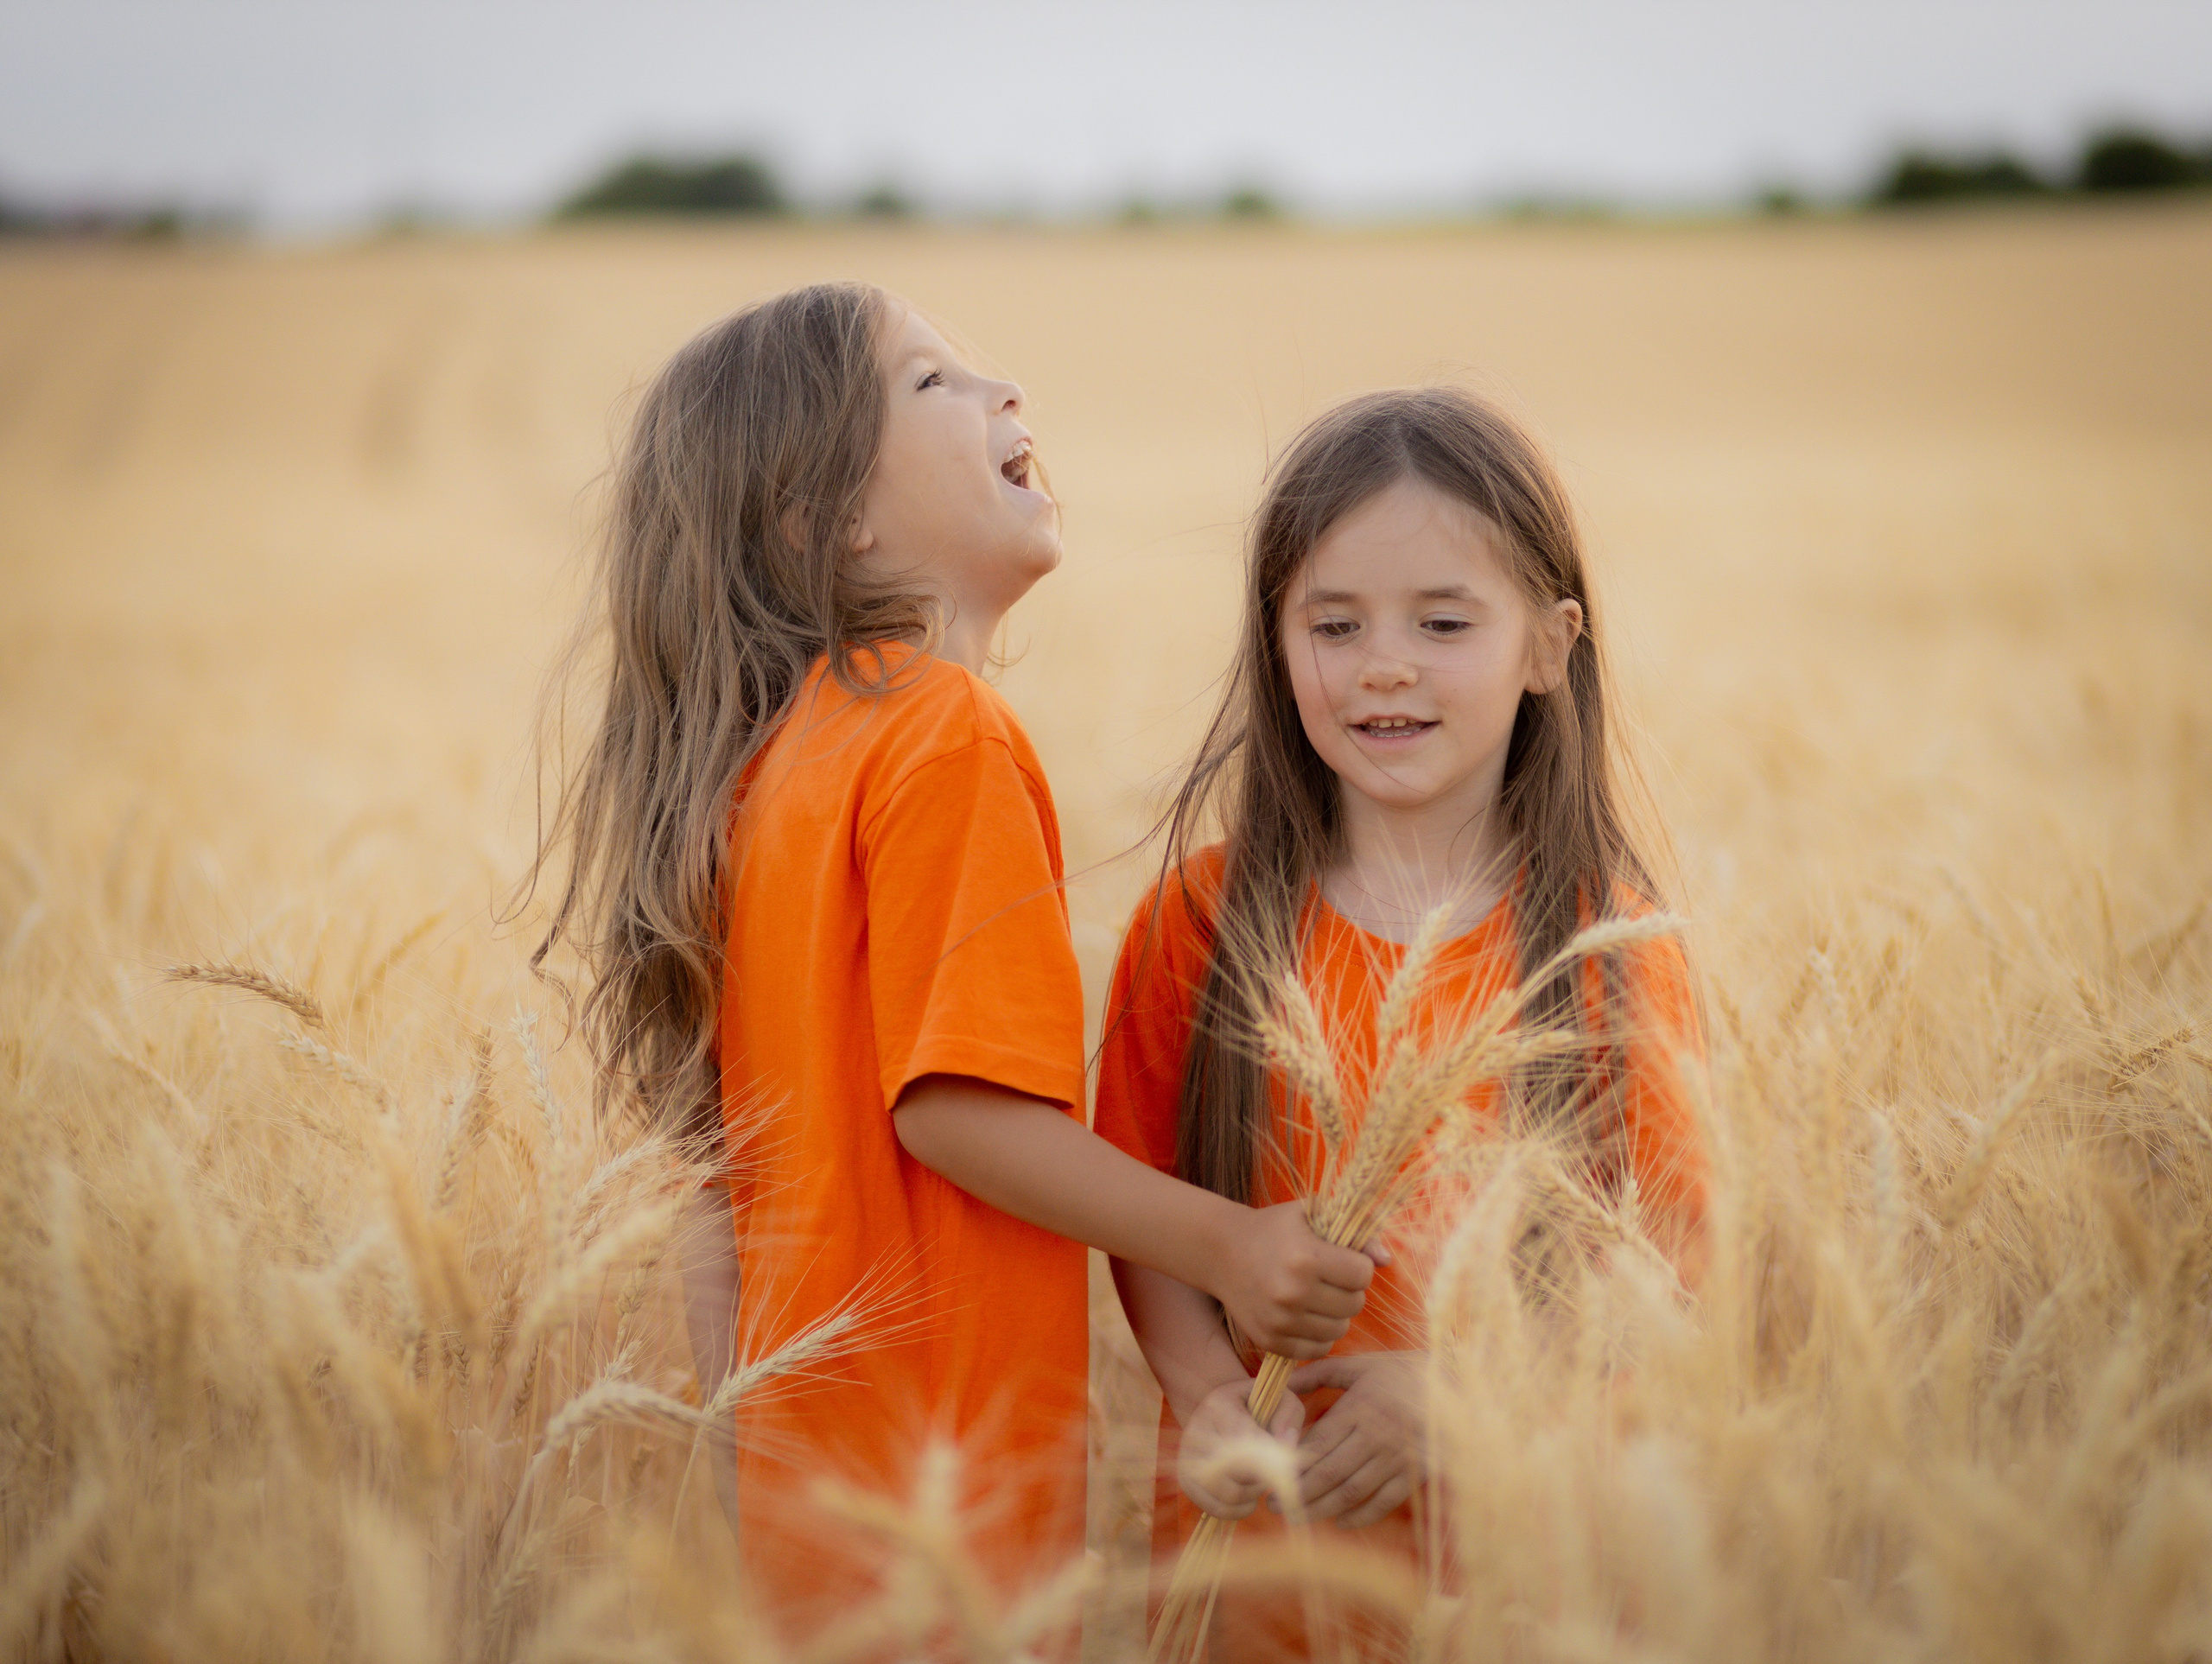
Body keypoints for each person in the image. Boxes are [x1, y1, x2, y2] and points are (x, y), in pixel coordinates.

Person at [525, 283, 1379, 1645]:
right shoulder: (942, 735)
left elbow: (717, 1196)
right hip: (952, 1495)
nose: (1006, 395)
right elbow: (955, 1107)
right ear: (826, 520)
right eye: (935, 383)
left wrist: (754, 1442)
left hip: (818, 1511)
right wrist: (1229, 1239)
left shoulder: (773, 769)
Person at [1094, 385, 1710, 1658]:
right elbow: (1144, 1204)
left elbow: (1671, 1262)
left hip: (1529, 1568)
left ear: (1549, 646)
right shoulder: (1200, 919)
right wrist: (1208, 1397)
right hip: (1266, 1557)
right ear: (1276, 642)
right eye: (1335, 623)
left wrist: (1474, 1400)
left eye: (1443, 621)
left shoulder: (1608, 946)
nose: (1384, 663)